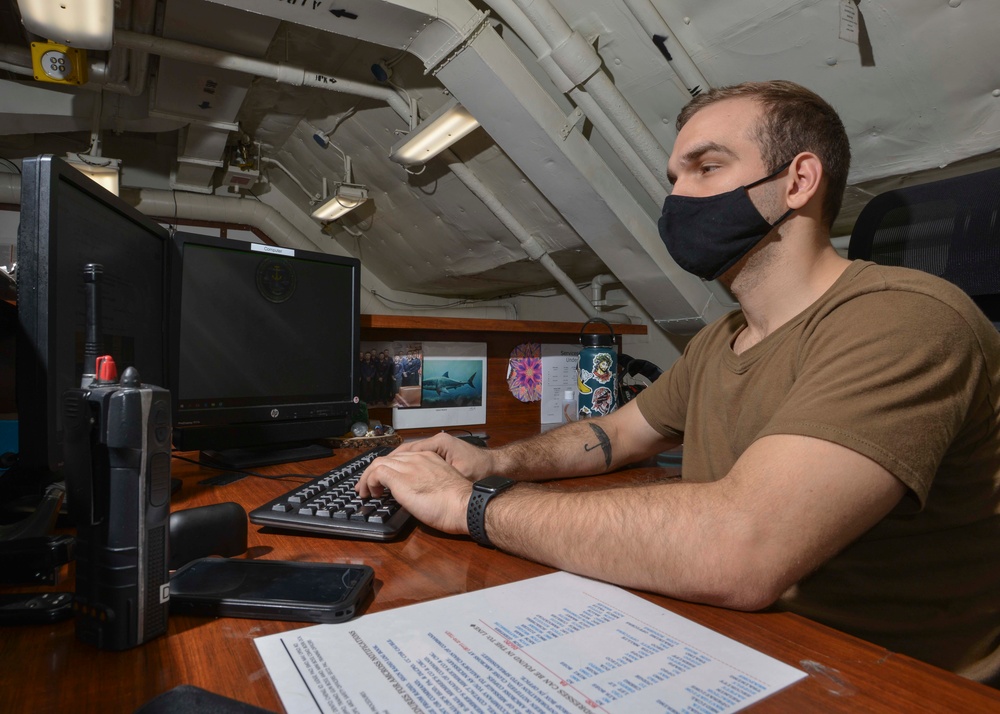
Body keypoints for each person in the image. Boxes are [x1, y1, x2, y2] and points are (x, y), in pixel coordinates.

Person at [357, 80, 1000, 685]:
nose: (679, 199)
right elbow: (616, 432)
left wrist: (469, 506)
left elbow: (740, 548)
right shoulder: (723, 338)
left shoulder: (904, 319)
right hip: (734, 642)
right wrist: (492, 461)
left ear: (798, 180)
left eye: (708, 168)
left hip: (878, 678)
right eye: (674, 179)